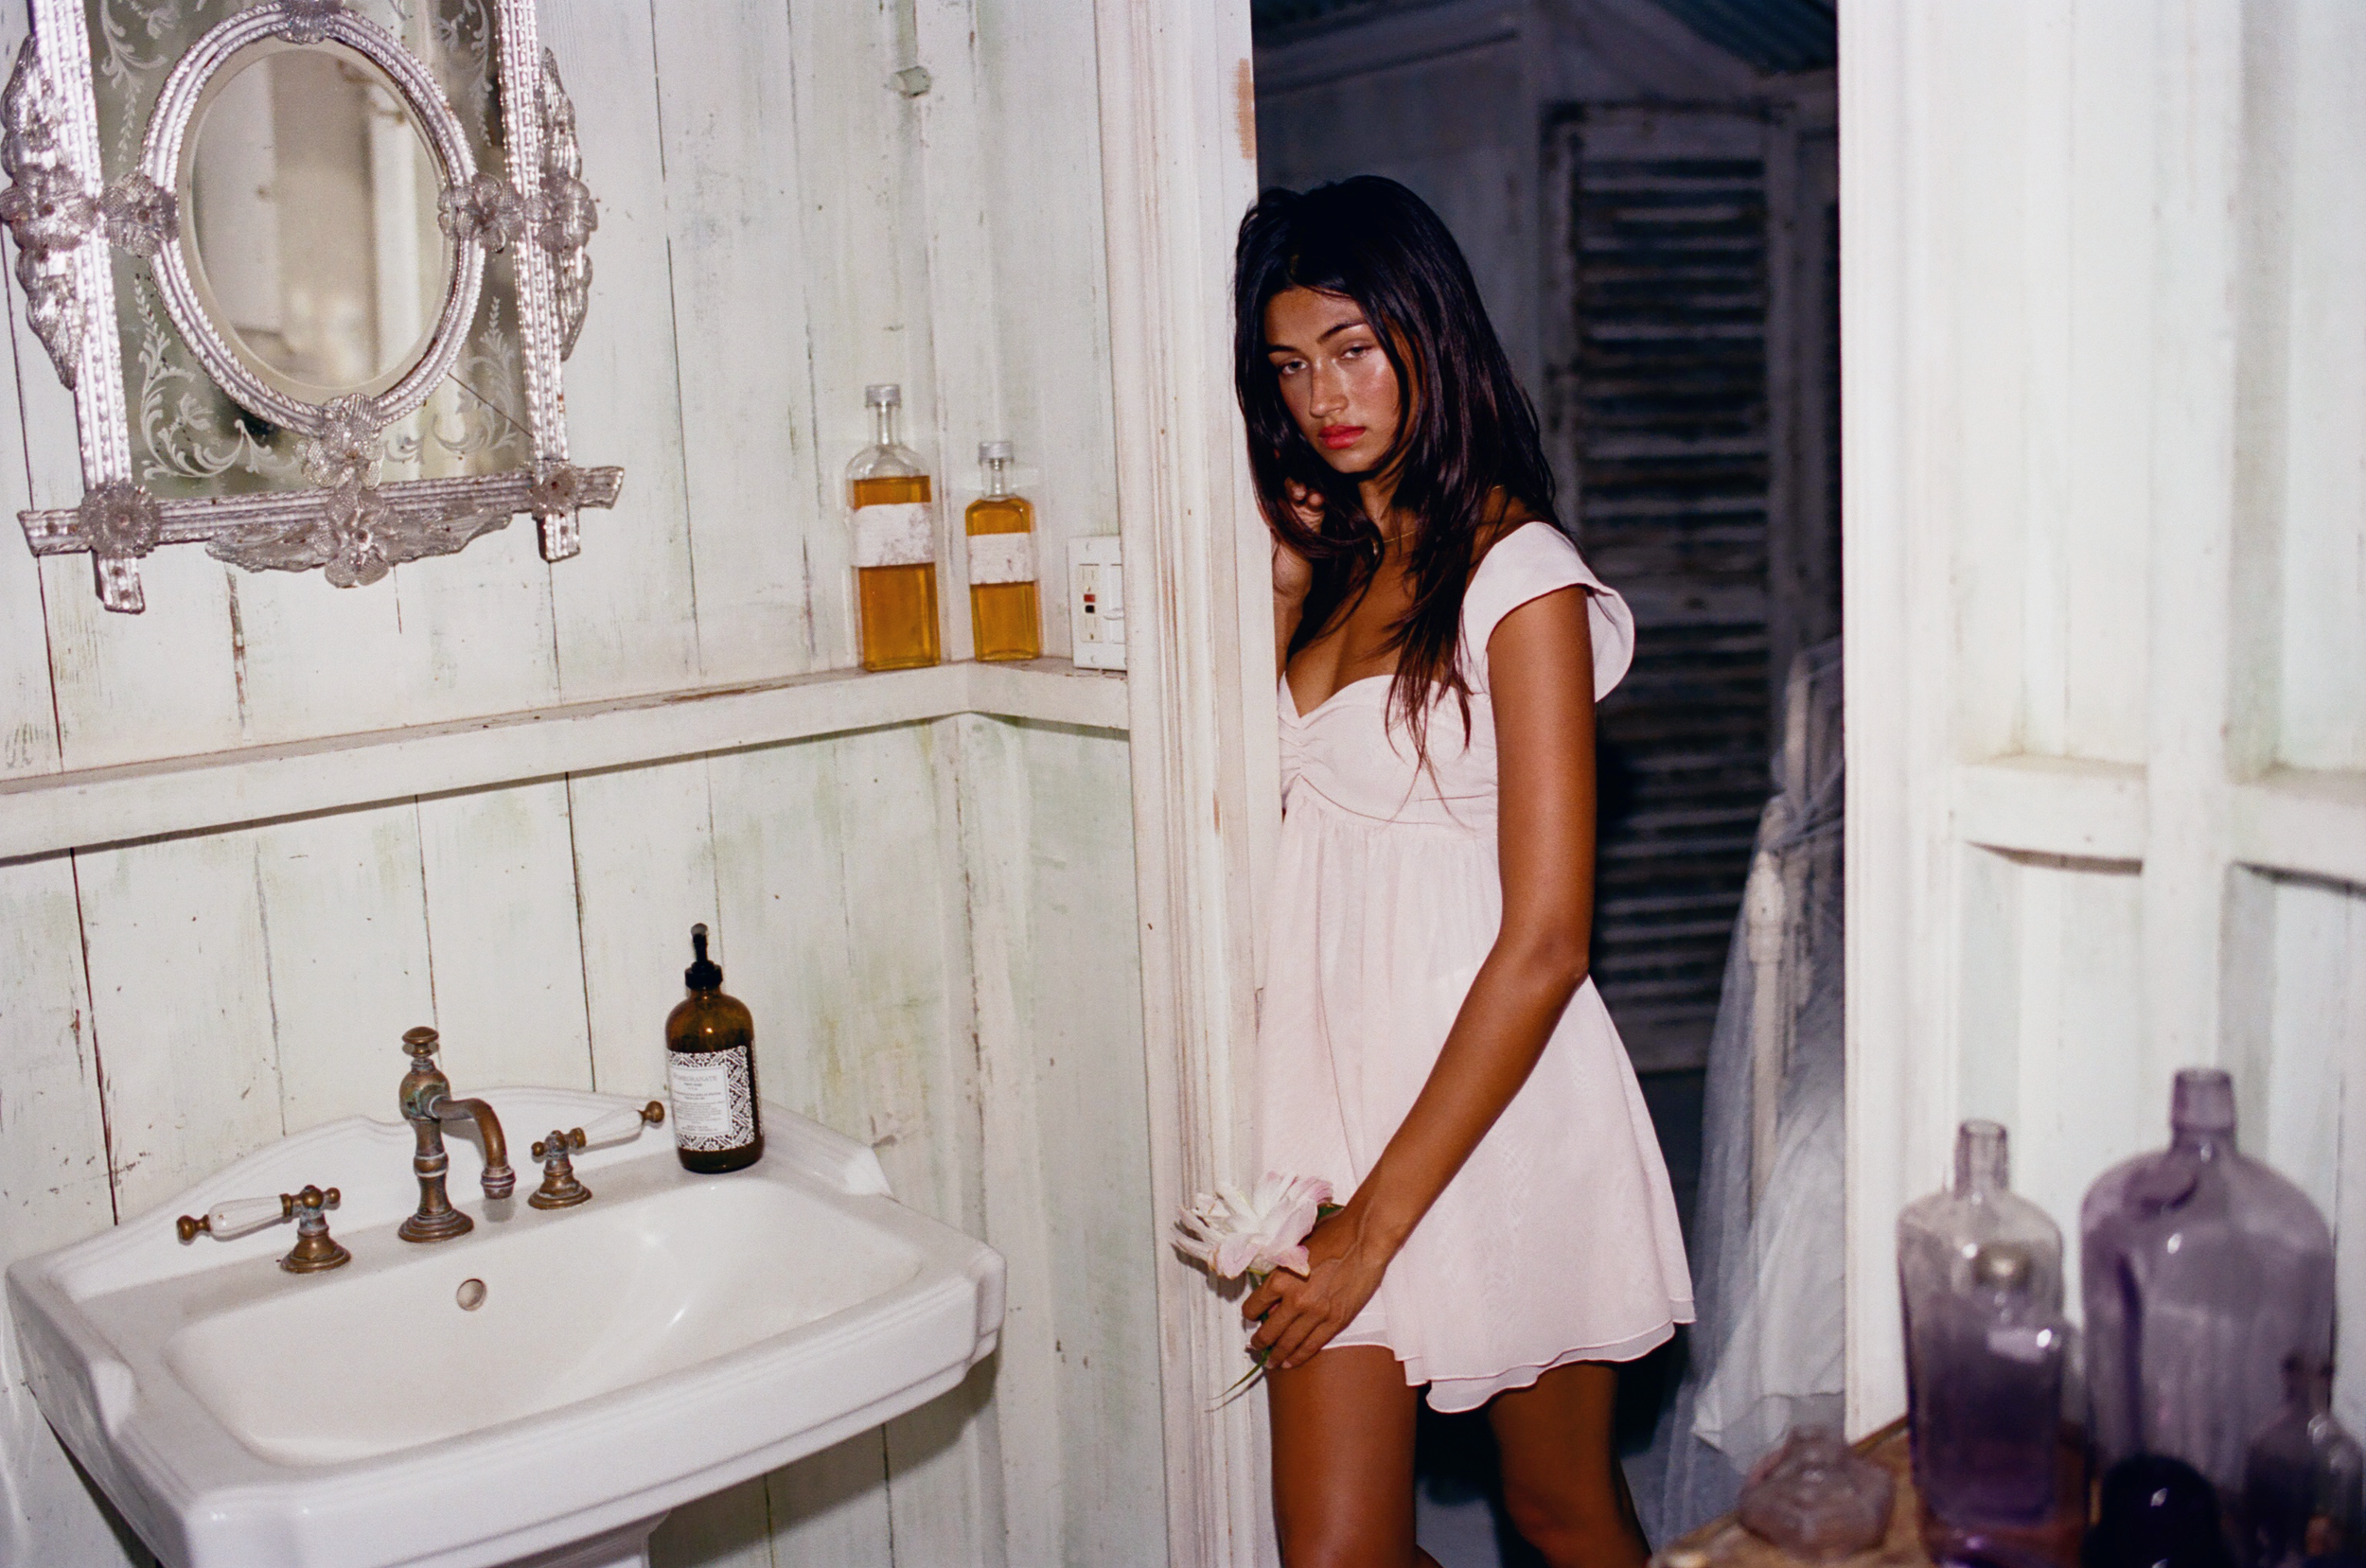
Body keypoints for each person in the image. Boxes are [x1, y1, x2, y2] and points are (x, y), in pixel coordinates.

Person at [1234, 176, 1695, 1567]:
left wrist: (1374, 1232)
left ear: (1432, 334)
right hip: (1327, 1108)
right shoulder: (1332, 561)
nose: (1325, 396)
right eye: (1290, 366)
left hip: (1492, 1105)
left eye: (1354, 348)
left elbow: (1549, 939)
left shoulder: (1521, 575)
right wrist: (1281, 588)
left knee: (1560, 1510)